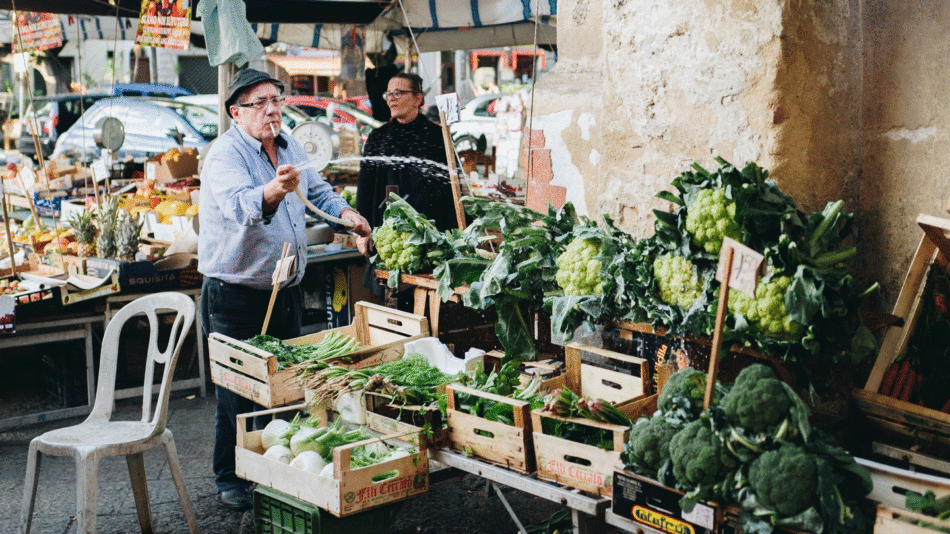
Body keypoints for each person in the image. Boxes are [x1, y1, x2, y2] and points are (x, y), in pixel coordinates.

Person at [197, 68, 370, 512]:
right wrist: (274, 190)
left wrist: (348, 217)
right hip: (236, 293)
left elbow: (321, 193)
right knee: (239, 391)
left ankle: (275, 469)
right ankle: (230, 476)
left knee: (286, 385)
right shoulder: (224, 155)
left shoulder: (290, 144)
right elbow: (241, 208)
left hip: (285, 289)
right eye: (260, 102)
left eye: (276, 99)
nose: (273, 109)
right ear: (237, 112)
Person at [355, 72, 455, 261]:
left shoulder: (438, 136)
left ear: (418, 98)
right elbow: (365, 188)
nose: (392, 99)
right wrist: (363, 231)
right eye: (389, 94)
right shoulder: (377, 138)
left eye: (399, 93)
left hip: (430, 239)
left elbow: (450, 190)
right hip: (387, 238)